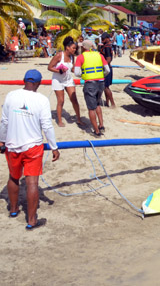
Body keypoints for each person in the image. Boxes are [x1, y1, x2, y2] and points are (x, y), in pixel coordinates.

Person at [0, 69, 60, 229]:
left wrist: (2, 140)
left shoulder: (11, 95)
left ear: (24, 80)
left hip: (12, 145)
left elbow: (4, 121)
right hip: (33, 146)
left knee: (13, 177)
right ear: (39, 83)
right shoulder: (41, 99)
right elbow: (47, 125)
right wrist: (54, 146)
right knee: (32, 182)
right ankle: (32, 220)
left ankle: (13, 210)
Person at [74, 40, 110, 137]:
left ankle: (96, 131)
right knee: (97, 103)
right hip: (101, 82)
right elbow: (107, 70)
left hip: (90, 83)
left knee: (91, 108)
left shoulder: (81, 57)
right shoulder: (99, 55)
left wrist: (84, 75)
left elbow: (77, 72)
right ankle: (101, 125)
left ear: (83, 47)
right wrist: (101, 75)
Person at [47, 36, 82, 127]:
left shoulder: (72, 57)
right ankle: (59, 120)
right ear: (67, 47)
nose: (74, 50)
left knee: (74, 99)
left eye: (75, 48)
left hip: (68, 80)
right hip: (58, 80)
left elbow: (73, 69)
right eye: (73, 48)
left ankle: (79, 119)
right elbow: (49, 67)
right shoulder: (59, 55)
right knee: (61, 101)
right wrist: (59, 71)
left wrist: (81, 72)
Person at [100, 33, 116, 108]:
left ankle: (112, 103)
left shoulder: (106, 47)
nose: (102, 40)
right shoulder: (108, 46)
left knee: (106, 87)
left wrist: (103, 67)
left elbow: (108, 59)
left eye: (103, 39)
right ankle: (107, 102)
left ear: (107, 38)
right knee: (106, 87)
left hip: (107, 68)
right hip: (108, 67)